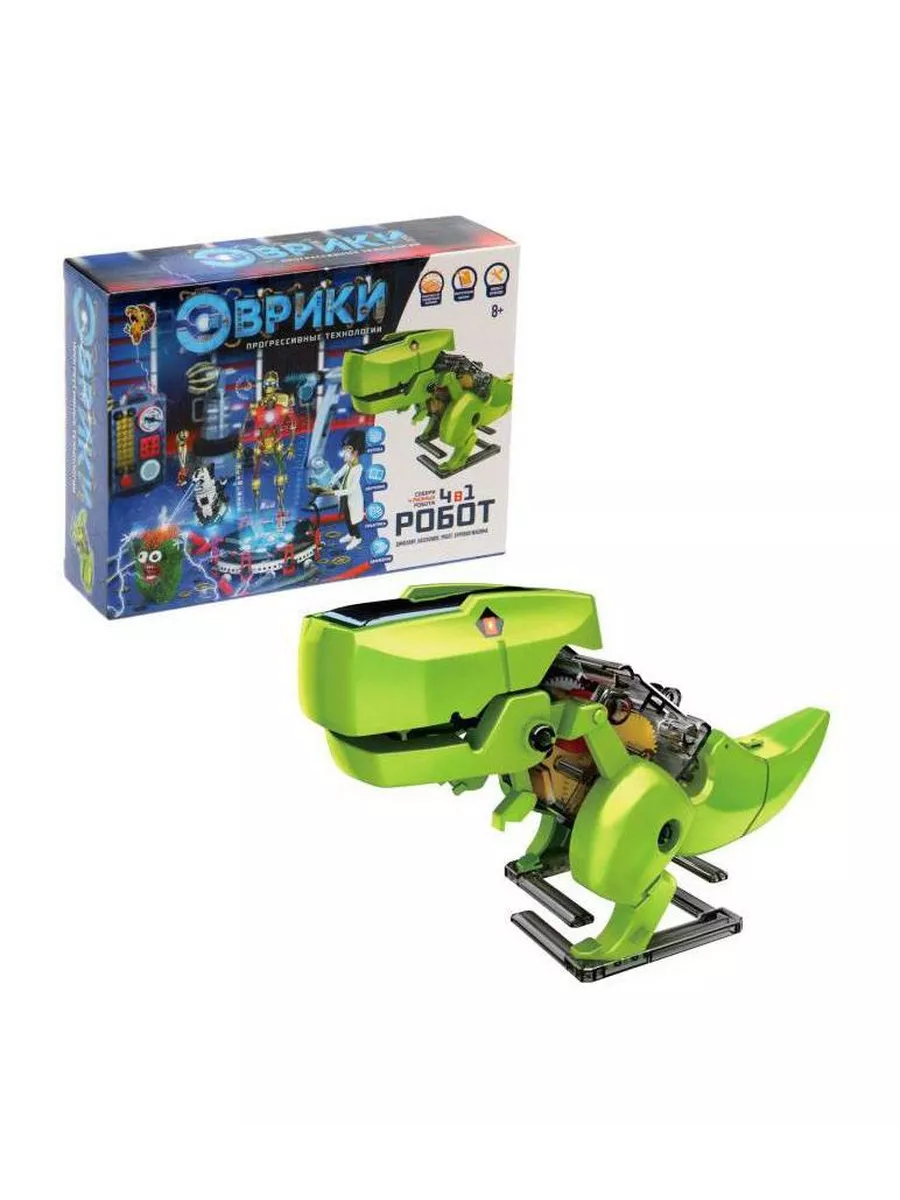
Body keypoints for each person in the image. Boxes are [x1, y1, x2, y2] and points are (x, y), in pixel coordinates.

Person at [329, 430, 366, 550]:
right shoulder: (348, 465)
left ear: (355, 452)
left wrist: (335, 492)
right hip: (344, 497)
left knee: (352, 519)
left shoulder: (358, 468)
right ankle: (351, 534)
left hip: (352, 498)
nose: (345, 452)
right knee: (346, 516)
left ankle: (357, 537)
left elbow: (351, 489)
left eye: (348, 450)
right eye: (345, 449)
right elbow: (339, 473)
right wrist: (332, 481)